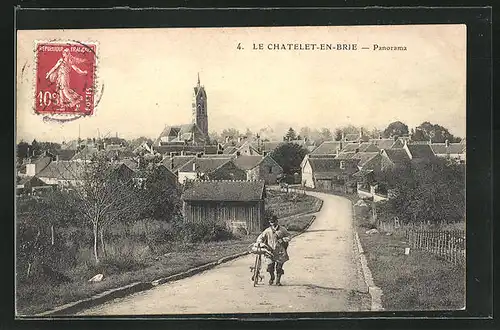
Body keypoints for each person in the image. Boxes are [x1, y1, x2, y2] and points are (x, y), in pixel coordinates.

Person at [256, 215, 291, 286]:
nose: (272, 224)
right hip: (270, 251)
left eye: (274, 222)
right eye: (271, 222)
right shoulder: (267, 230)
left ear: (277, 221)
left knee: (279, 267)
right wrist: (260, 242)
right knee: (270, 267)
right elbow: (261, 237)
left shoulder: (282, 229)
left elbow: (289, 236)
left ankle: (278, 281)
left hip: (280, 251)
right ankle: (272, 277)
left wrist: (283, 240)